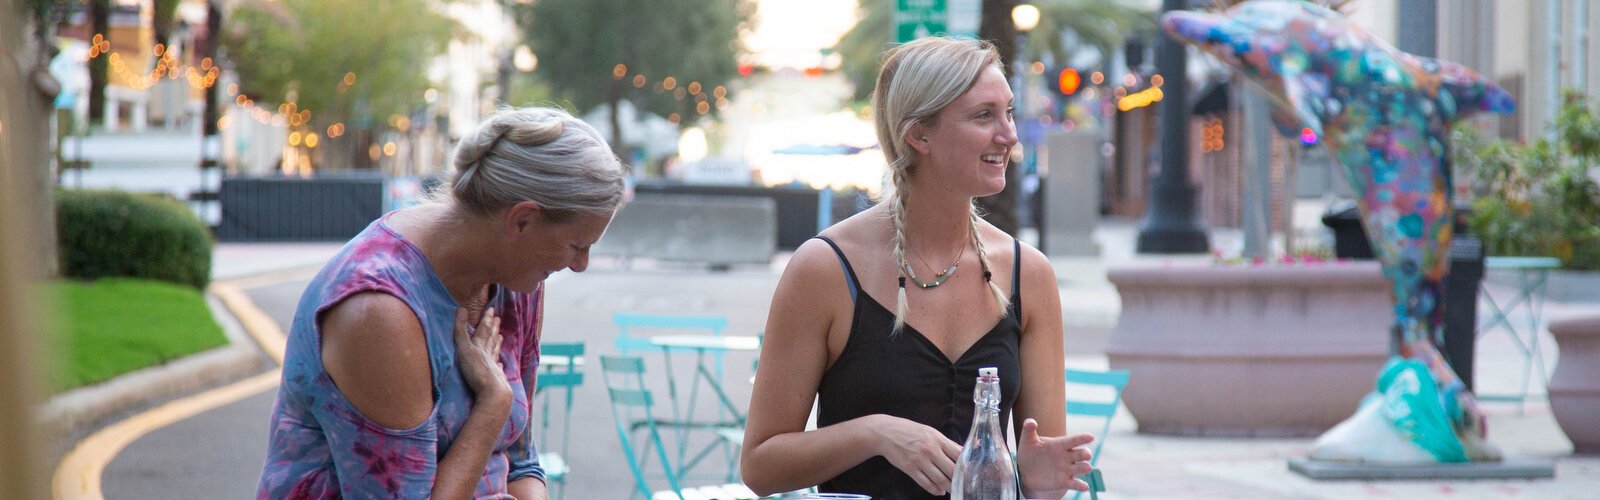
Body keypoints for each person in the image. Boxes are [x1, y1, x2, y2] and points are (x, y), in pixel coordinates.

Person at [740, 37, 1096, 499]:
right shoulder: (826, 269)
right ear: (919, 135)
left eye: (1008, 112)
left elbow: (1037, 466)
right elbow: (761, 465)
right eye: (983, 115)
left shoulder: (1029, 274)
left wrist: (1040, 482)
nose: (1008, 135)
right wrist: (876, 433)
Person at [257, 106, 625, 499]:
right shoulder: (379, 310)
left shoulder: (518, 278)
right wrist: (493, 404)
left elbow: (520, 460)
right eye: (578, 245)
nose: (580, 265)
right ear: (522, 220)